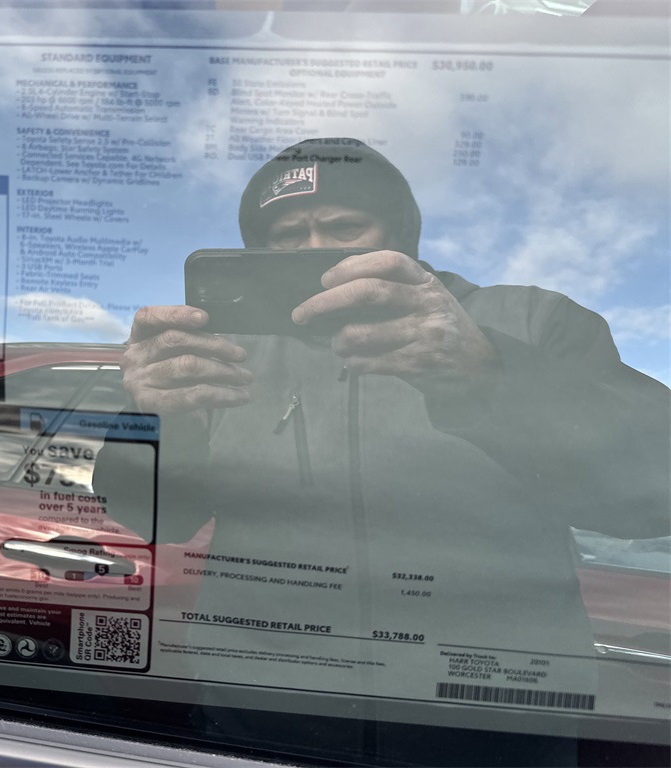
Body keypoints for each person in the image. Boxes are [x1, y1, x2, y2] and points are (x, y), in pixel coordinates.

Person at [94, 138, 670, 752]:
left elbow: (650, 497)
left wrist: (486, 373)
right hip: (265, 705)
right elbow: (153, 516)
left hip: (491, 713)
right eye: (288, 234)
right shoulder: (227, 353)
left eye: (345, 226)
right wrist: (153, 419)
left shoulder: (529, 320)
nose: (314, 248)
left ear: (401, 233)